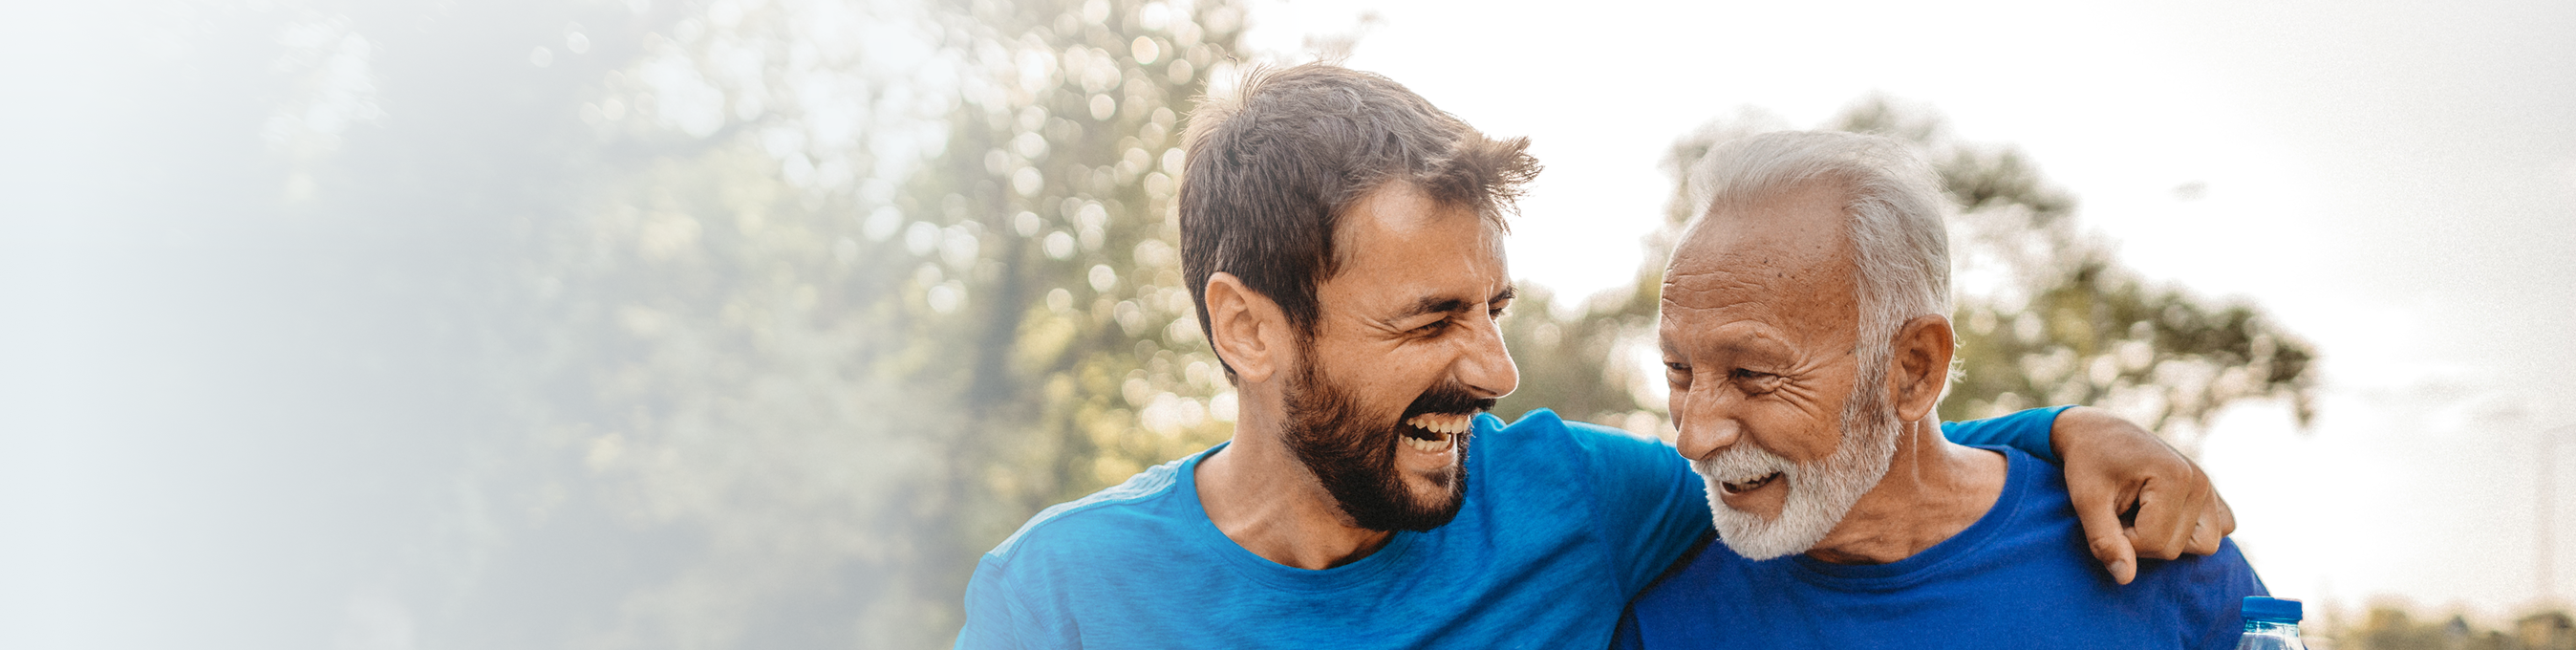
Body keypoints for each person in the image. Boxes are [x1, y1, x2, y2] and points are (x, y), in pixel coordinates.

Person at [955, 63, 2231, 649]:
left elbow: (1843, 459)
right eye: (1428, 321)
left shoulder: (1581, 504)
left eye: (1492, 307)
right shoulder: (1056, 599)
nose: (1496, 370)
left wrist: (2064, 434)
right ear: (1250, 329)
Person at [1614, 130, 2266, 650]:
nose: (1693, 436)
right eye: (1679, 372)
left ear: (1912, 370)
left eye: (1753, 375)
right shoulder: (1666, 607)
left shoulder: (2158, 553)